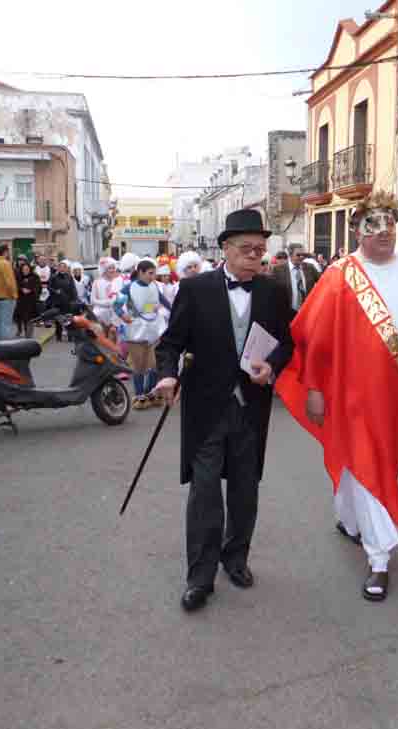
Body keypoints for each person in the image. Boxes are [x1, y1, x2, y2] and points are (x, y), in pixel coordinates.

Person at [277, 191, 398, 603]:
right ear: (357, 230)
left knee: (374, 461)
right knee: (370, 462)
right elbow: (314, 339)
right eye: (373, 223)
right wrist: (314, 388)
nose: (384, 230)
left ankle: (349, 520)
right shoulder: (341, 274)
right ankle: (379, 558)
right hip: (351, 390)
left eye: (390, 221)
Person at [155, 209, 294, 613]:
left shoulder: (272, 292)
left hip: (251, 408)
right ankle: (200, 576)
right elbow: (170, 344)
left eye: (261, 250)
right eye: (247, 249)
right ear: (226, 250)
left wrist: (274, 366)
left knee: (245, 490)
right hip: (205, 410)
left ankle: (236, 559)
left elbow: (288, 342)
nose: (256, 256)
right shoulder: (195, 289)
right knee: (204, 494)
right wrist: (166, 375)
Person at [115, 259, 163, 409]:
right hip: (135, 331)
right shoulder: (128, 288)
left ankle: (151, 392)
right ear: (141, 272)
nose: (153, 276)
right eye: (150, 273)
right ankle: (140, 395)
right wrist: (123, 316)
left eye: (154, 273)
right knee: (139, 366)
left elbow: (163, 302)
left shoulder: (154, 286)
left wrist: (176, 310)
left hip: (153, 330)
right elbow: (116, 305)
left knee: (154, 365)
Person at [272, 244, 320, 315]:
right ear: (290, 255)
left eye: (303, 255)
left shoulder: (310, 268)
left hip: (307, 313)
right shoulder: (278, 270)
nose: (301, 257)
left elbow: (323, 282)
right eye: (298, 255)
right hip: (286, 314)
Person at [48, 260, 78, 342]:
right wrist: (55, 291)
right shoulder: (53, 277)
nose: (62, 269)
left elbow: (73, 289)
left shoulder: (69, 277)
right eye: (60, 267)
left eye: (64, 267)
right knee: (58, 319)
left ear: (66, 269)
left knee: (69, 319)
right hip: (57, 301)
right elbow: (49, 287)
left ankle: (70, 336)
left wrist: (75, 299)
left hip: (68, 301)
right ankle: (58, 336)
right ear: (58, 268)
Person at [15, 260, 41, 339]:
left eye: (27, 269)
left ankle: (28, 334)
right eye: (24, 269)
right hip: (21, 300)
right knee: (20, 317)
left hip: (31, 300)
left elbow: (38, 287)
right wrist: (21, 289)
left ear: (30, 269)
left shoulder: (35, 276)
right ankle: (20, 330)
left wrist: (31, 290)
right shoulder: (18, 277)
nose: (25, 271)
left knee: (29, 318)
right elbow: (16, 286)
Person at [91, 258, 121, 326]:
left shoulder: (118, 281)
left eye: (113, 268)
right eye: (110, 268)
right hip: (101, 314)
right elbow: (92, 300)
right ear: (104, 270)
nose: (112, 270)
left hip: (116, 314)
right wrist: (106, 302)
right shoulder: (97, 282)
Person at [34, 255, 51, 319]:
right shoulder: (35, 268)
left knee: (46, 304)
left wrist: (47, 285)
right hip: (38, 289)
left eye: (43, 260)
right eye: (40, 260)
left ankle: (46, 319)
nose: (42, 261)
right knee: (38, 305)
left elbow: (51, 279)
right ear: (38, 260)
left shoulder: (49, 269)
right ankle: (39, 318)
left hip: (47, 289)